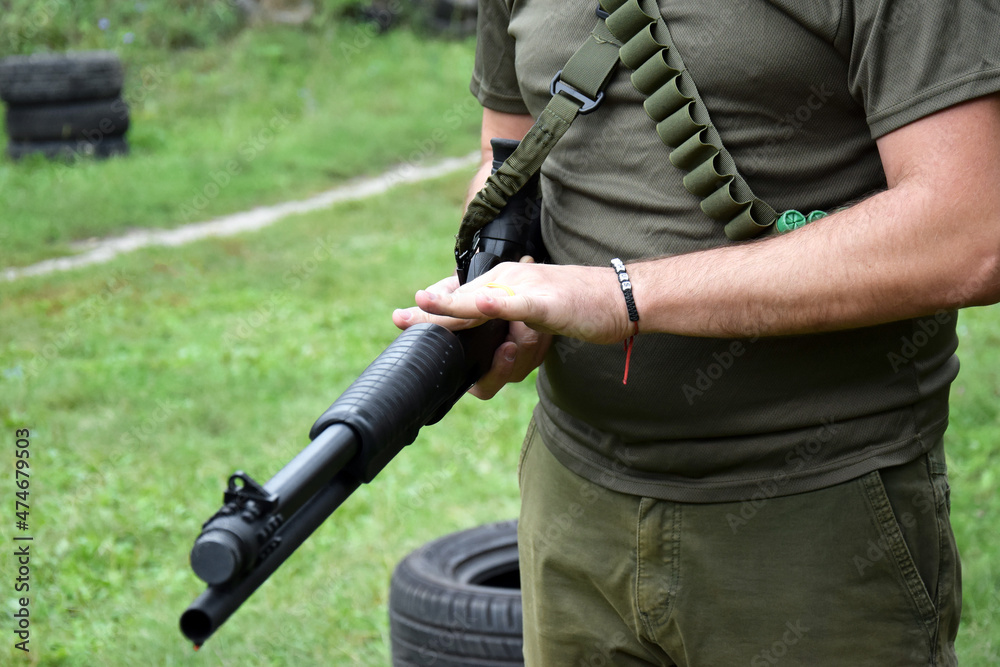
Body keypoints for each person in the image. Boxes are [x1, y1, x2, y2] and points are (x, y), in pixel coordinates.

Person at [393, 1, 1000, 664]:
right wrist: (503, 288)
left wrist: (623, 295)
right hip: (572, 500)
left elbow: (970, 233)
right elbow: (508, 153)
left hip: (815, 507)